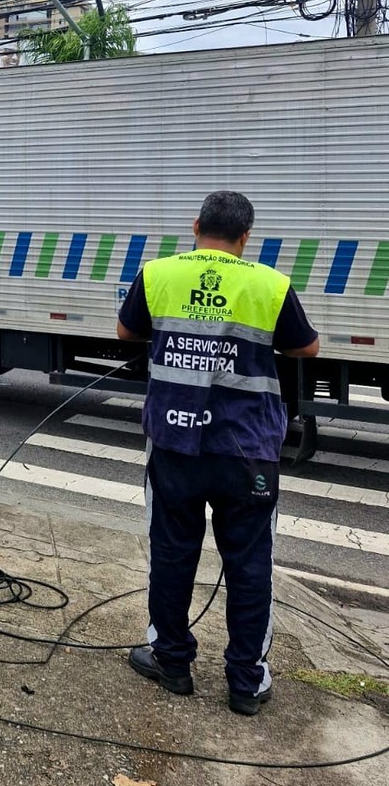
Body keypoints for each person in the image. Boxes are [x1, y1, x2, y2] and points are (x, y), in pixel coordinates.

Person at [116, 190, 319, 717]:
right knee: (250, 564)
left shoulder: (159, 275)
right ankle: (246, 683)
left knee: (172, 553)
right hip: (247, 451)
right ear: (245, 236)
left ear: (196, 225)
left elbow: (125, 331)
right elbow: (307, 346)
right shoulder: (269, 284)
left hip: (176, 444)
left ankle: (173, 662)